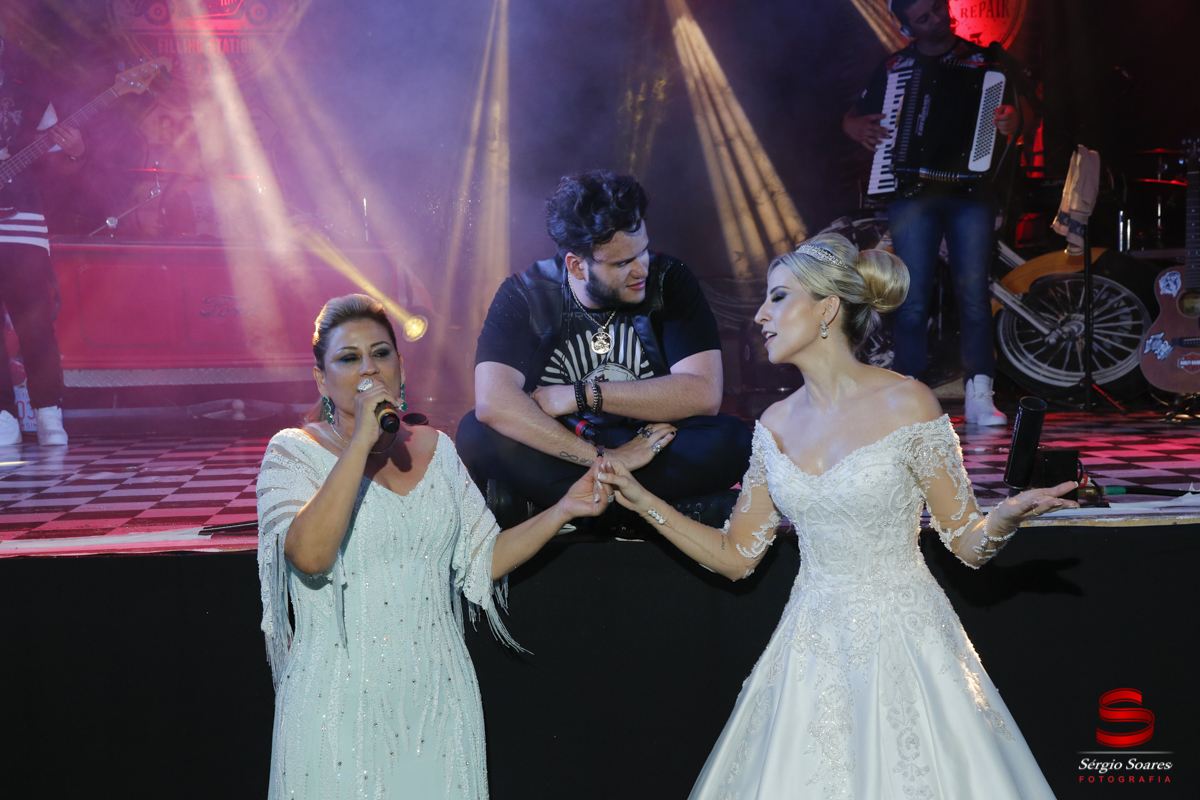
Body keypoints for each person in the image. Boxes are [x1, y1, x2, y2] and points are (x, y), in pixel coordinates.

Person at [597, 233, 1074, 798]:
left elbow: (966, 543)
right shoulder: (772, 424)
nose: (758, 316)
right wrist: (642, 500)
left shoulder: (908, 402)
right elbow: (735, 558)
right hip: (809, 651)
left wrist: (1006, 517)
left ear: (826, 309)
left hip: (907, 644)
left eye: (777, 298)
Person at [256, 294, 610, 799]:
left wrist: (564, 509)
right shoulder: (292, 452)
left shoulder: (438, 450)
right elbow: (310, 556)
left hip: (439, 694)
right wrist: (360, 441)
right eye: (348, 358)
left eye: (380, 353)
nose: (368, 369)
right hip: (339, 702)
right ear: (321, 380)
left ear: (401, 368)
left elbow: (482, 557)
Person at [456, 170, 751, 533]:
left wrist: (580, 395)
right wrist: (605, 458)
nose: (640, 269)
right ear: (577, 265)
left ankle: (561, 509)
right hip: (565, 449)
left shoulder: (668, 279)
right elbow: (494, 402)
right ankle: (652, 512)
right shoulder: (526, 293)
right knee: (475, 433)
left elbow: (703, 394)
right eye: (622, 263)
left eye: (642, 251)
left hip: (652, 448)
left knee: (733, 439)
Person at [842, 0, 1039, 426]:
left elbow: (1022, 116)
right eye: (923, 17)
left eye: (938, 9)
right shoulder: (894, 68)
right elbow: (854, 116)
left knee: (973, 293)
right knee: (911, 297)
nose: (936, 21)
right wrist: (855, 127)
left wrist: (1012, 122)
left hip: (971, 189)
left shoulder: (986, 61)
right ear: (903, 24)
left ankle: (980, 394)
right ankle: (909, 392)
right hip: (912, 191)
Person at [0, 23, 80, 446]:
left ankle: (49, 413)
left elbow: (60, 170)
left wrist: (74, 151)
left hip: (24, 224)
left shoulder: (30, 98)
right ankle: (3, 417)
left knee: (36, 324)